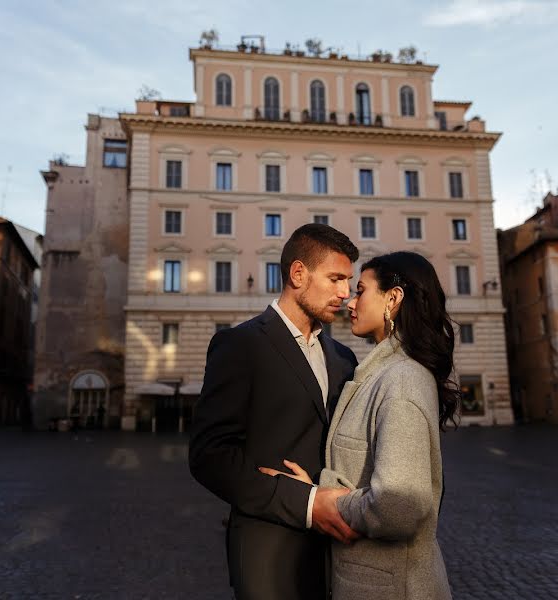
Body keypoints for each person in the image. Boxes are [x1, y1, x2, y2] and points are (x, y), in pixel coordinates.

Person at [262, 251, 458, 599]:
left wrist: (323, 501)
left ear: (393, 299)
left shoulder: (400, 381)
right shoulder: (384, 373)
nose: (350, 301)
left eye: (361, 291)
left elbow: (399, 507)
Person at [189, 224, 361, 600]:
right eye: (335, 279)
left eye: (348, 281)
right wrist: (308, 503)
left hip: (340, 556)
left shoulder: (344, 357)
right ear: (298, 274)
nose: (345, 293)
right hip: (267, 556)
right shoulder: (240, 345)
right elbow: (210, 457)